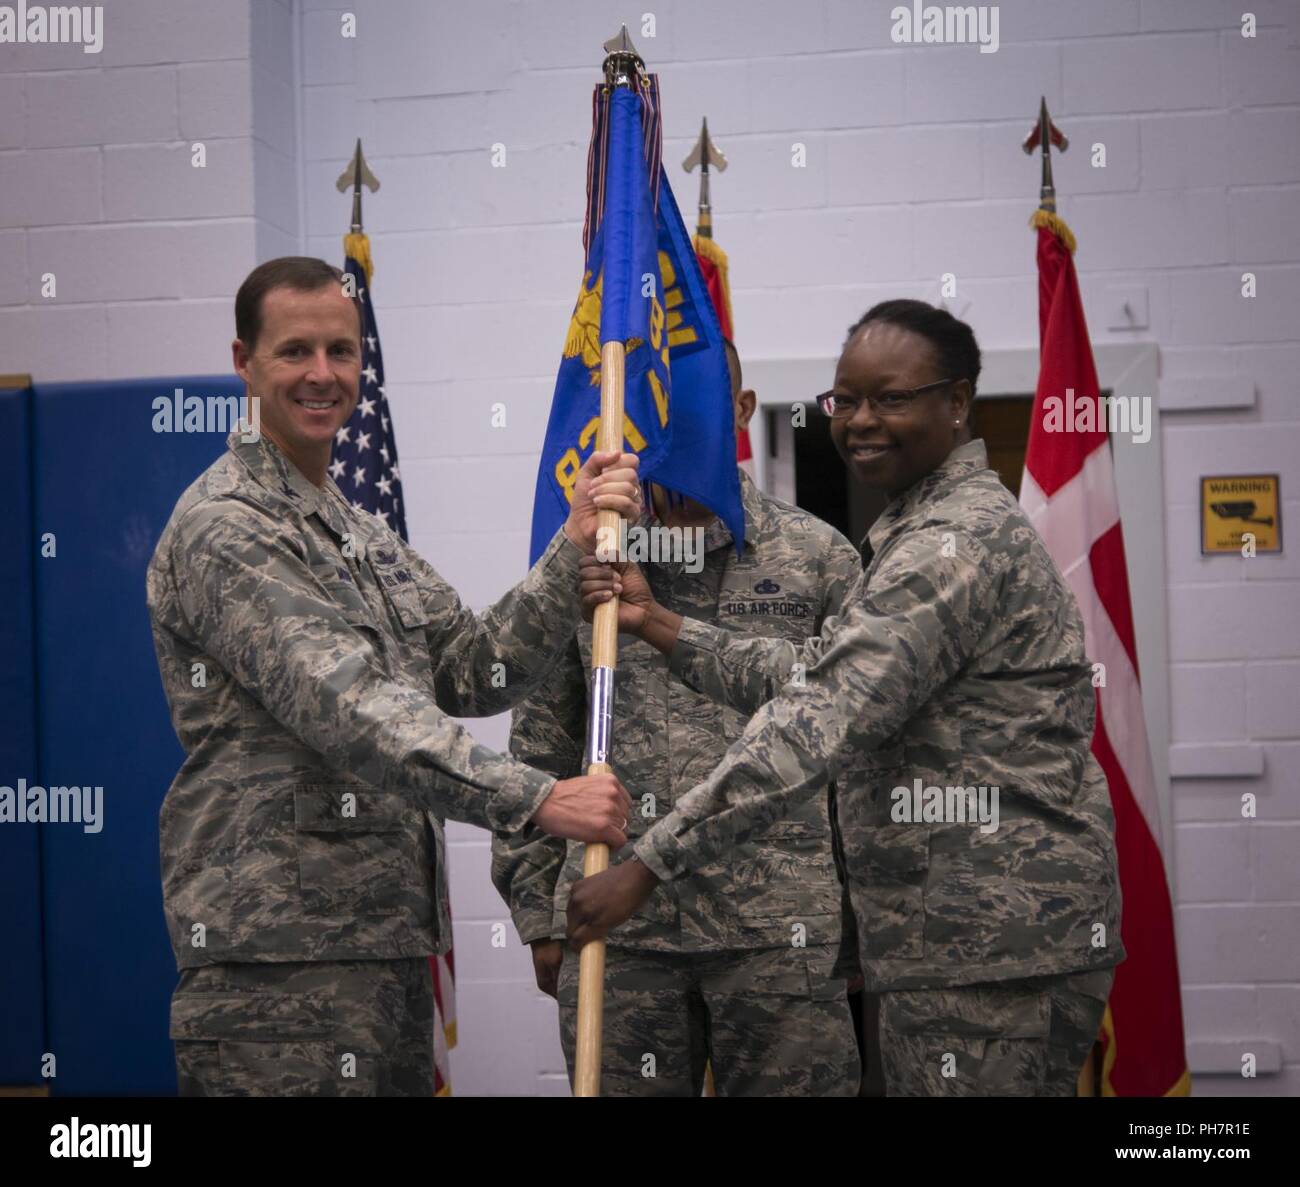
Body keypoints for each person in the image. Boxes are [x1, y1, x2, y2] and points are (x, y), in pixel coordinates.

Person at [568, 299, 1126, 1097]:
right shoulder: (919, 527)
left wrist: (648, 863)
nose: (862, 421)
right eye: (846, 399)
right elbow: (823, 672)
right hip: (964, 942)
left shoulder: (949, 546)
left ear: (957, 402)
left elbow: (819, 718)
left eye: (891, 398)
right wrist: (662, 624)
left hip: (990, 944)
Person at [147, 256, 639, 1097]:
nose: (322, 374)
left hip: (385, 948)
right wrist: (537, 798)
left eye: (341, 351)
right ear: (244, 363)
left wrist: (571, 544)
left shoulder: (357, 532)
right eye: (294, 351)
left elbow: (473, 667)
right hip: (280, 971)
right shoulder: (224, 528)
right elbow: (349, 709)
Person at [492, 342, 862, 1096]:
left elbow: (854, 744)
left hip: (779, 932)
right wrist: (537, 910)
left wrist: (858, 918)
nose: (676, 430)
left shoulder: (818, 557)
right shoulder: (587, 561)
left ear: (742, 409)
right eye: (655, 414)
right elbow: (535, 747)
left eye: (693, 407)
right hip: (621, 935)